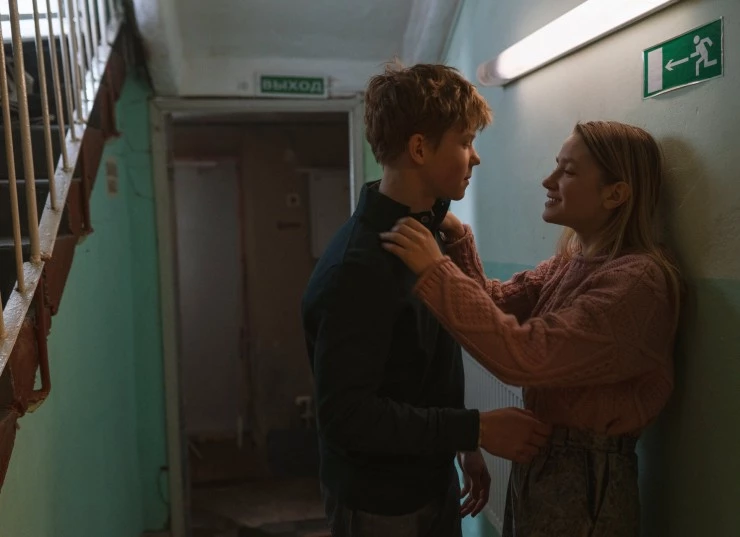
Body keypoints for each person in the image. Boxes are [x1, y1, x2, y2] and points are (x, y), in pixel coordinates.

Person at [381, 120, 682, 536]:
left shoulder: (637, 283)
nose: (548, 180)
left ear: (615, 194)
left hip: (587, 483)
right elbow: (493, 303)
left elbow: (526, 356)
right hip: (544, 468)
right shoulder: (570, 262)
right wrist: (456, 238)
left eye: (568, 171)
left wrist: (436, 271)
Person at [302, 63, 552, 537]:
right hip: (381, 504)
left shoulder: (422, 235)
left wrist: (464, 447)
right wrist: (474, 429)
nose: (475, 158)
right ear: (419, 149)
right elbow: (346, 418)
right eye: (465, 142)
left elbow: (423, 365)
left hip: (430, 480)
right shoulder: (358, 267)